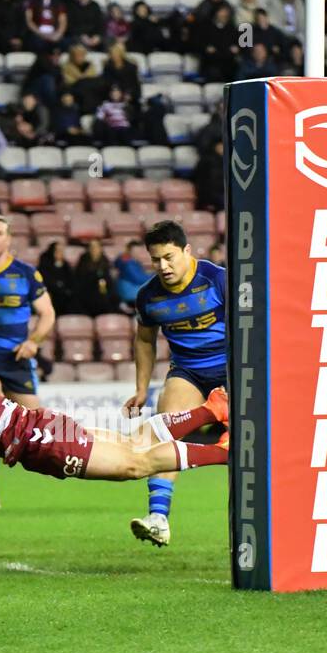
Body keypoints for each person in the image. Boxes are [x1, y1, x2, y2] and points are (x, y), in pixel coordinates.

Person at [0, 361, 230, 506]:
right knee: (135, 442)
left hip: (38, 442)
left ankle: (225, 452)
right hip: (37, 422)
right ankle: (212, 410)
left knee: (134, 465)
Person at [124, 221, 227, 547]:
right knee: (164, 430)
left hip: (234, 369)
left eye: (169, 257)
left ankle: (255, 523)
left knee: (247, 446)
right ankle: (158, 518)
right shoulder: (148, 296)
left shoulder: (218, 280)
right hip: (189, 372)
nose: (163, 267)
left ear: (186, 250)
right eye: (155, 260)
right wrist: (142, 388)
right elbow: (144, 340)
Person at [0, 213, 56, 510]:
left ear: (9, 238)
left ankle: (70, 466)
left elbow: (48, 313)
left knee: (38, 425)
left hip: (16, 357)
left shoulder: (25, 274)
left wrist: (33, 342)